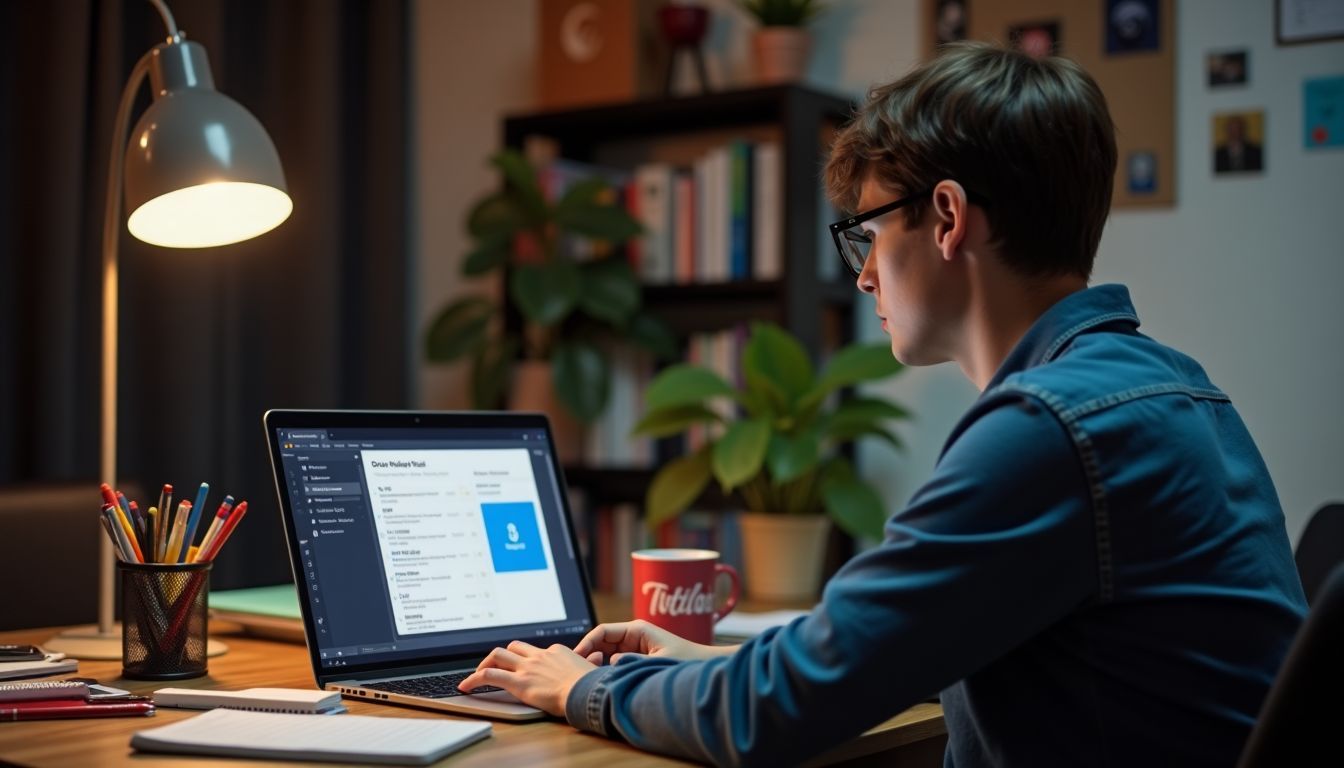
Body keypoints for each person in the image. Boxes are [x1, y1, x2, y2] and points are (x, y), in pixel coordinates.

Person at [459, 42, 1306, 766]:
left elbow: (772, 717)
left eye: (869, 233)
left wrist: (588, 689)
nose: (863, 274)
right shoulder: (1173, 387)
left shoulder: (1049, 429)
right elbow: (918, 640)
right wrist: (711, 657)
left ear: (945, 218)